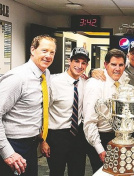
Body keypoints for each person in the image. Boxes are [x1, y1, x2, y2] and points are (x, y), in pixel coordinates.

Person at [0, 35, 56, 175]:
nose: (48, 56)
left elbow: (37, 110)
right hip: (12, 144)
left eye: (52, 52)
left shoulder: (46, 74)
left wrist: (41, 139)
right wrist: (7, 153)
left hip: (31, 144)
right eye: (44, 50)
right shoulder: (17, 78)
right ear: (33, 50)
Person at [40, 47, 89, 176]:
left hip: (78, 134)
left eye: (83, 63)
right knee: (56, 172)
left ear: (87, 65)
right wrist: (43, 140)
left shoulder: (85, 82)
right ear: (69, 61)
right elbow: (42, 112)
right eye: (76, 61)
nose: (79, 66)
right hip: (57, 136)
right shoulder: (54, 82)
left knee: (78, 172)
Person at [83, 48, 127, 173]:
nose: (117, 69)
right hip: (99, 136)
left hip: (117, 136)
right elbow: (89, 121)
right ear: (105, 65)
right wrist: (99, 149)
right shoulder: (95, 85)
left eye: (121, 65)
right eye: (113, 64)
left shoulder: (123, 80)